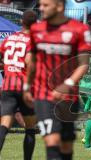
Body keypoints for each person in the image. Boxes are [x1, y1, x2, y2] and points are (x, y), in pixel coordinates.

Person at [23, 0, 91, 159]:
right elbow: (32, 61)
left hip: (69, 97)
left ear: (59, 6)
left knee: (66, 146)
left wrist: (67, 84)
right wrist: (27, 86)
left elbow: (84, 64)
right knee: (52, 142)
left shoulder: (79, 29)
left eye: (45, 5)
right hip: (43, 95)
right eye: (40, 4)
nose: (41, 8)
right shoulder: (36, 30)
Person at [0, 10, 37, 160]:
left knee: (4, 126)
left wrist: (7, 67)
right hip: (23, 88)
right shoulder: (32, 41)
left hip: (8, 86)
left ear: (21, 22)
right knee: (30, 128)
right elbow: (30, 63)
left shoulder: (8, 39)